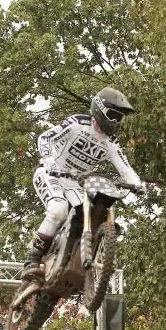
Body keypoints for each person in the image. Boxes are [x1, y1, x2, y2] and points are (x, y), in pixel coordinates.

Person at [22, 86, 147, 277]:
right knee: (58, 209)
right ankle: (33, 258)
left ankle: (68, 259)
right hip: (50, 173)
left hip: (73, 183)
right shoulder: (77, 123)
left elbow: (125, 168)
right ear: (100, 109)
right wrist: (48, 158)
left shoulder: (111, 142)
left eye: (119, 118)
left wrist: (138, 184)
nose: (115, 121)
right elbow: (46, 137)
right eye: (113, 115)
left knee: (87, 214)